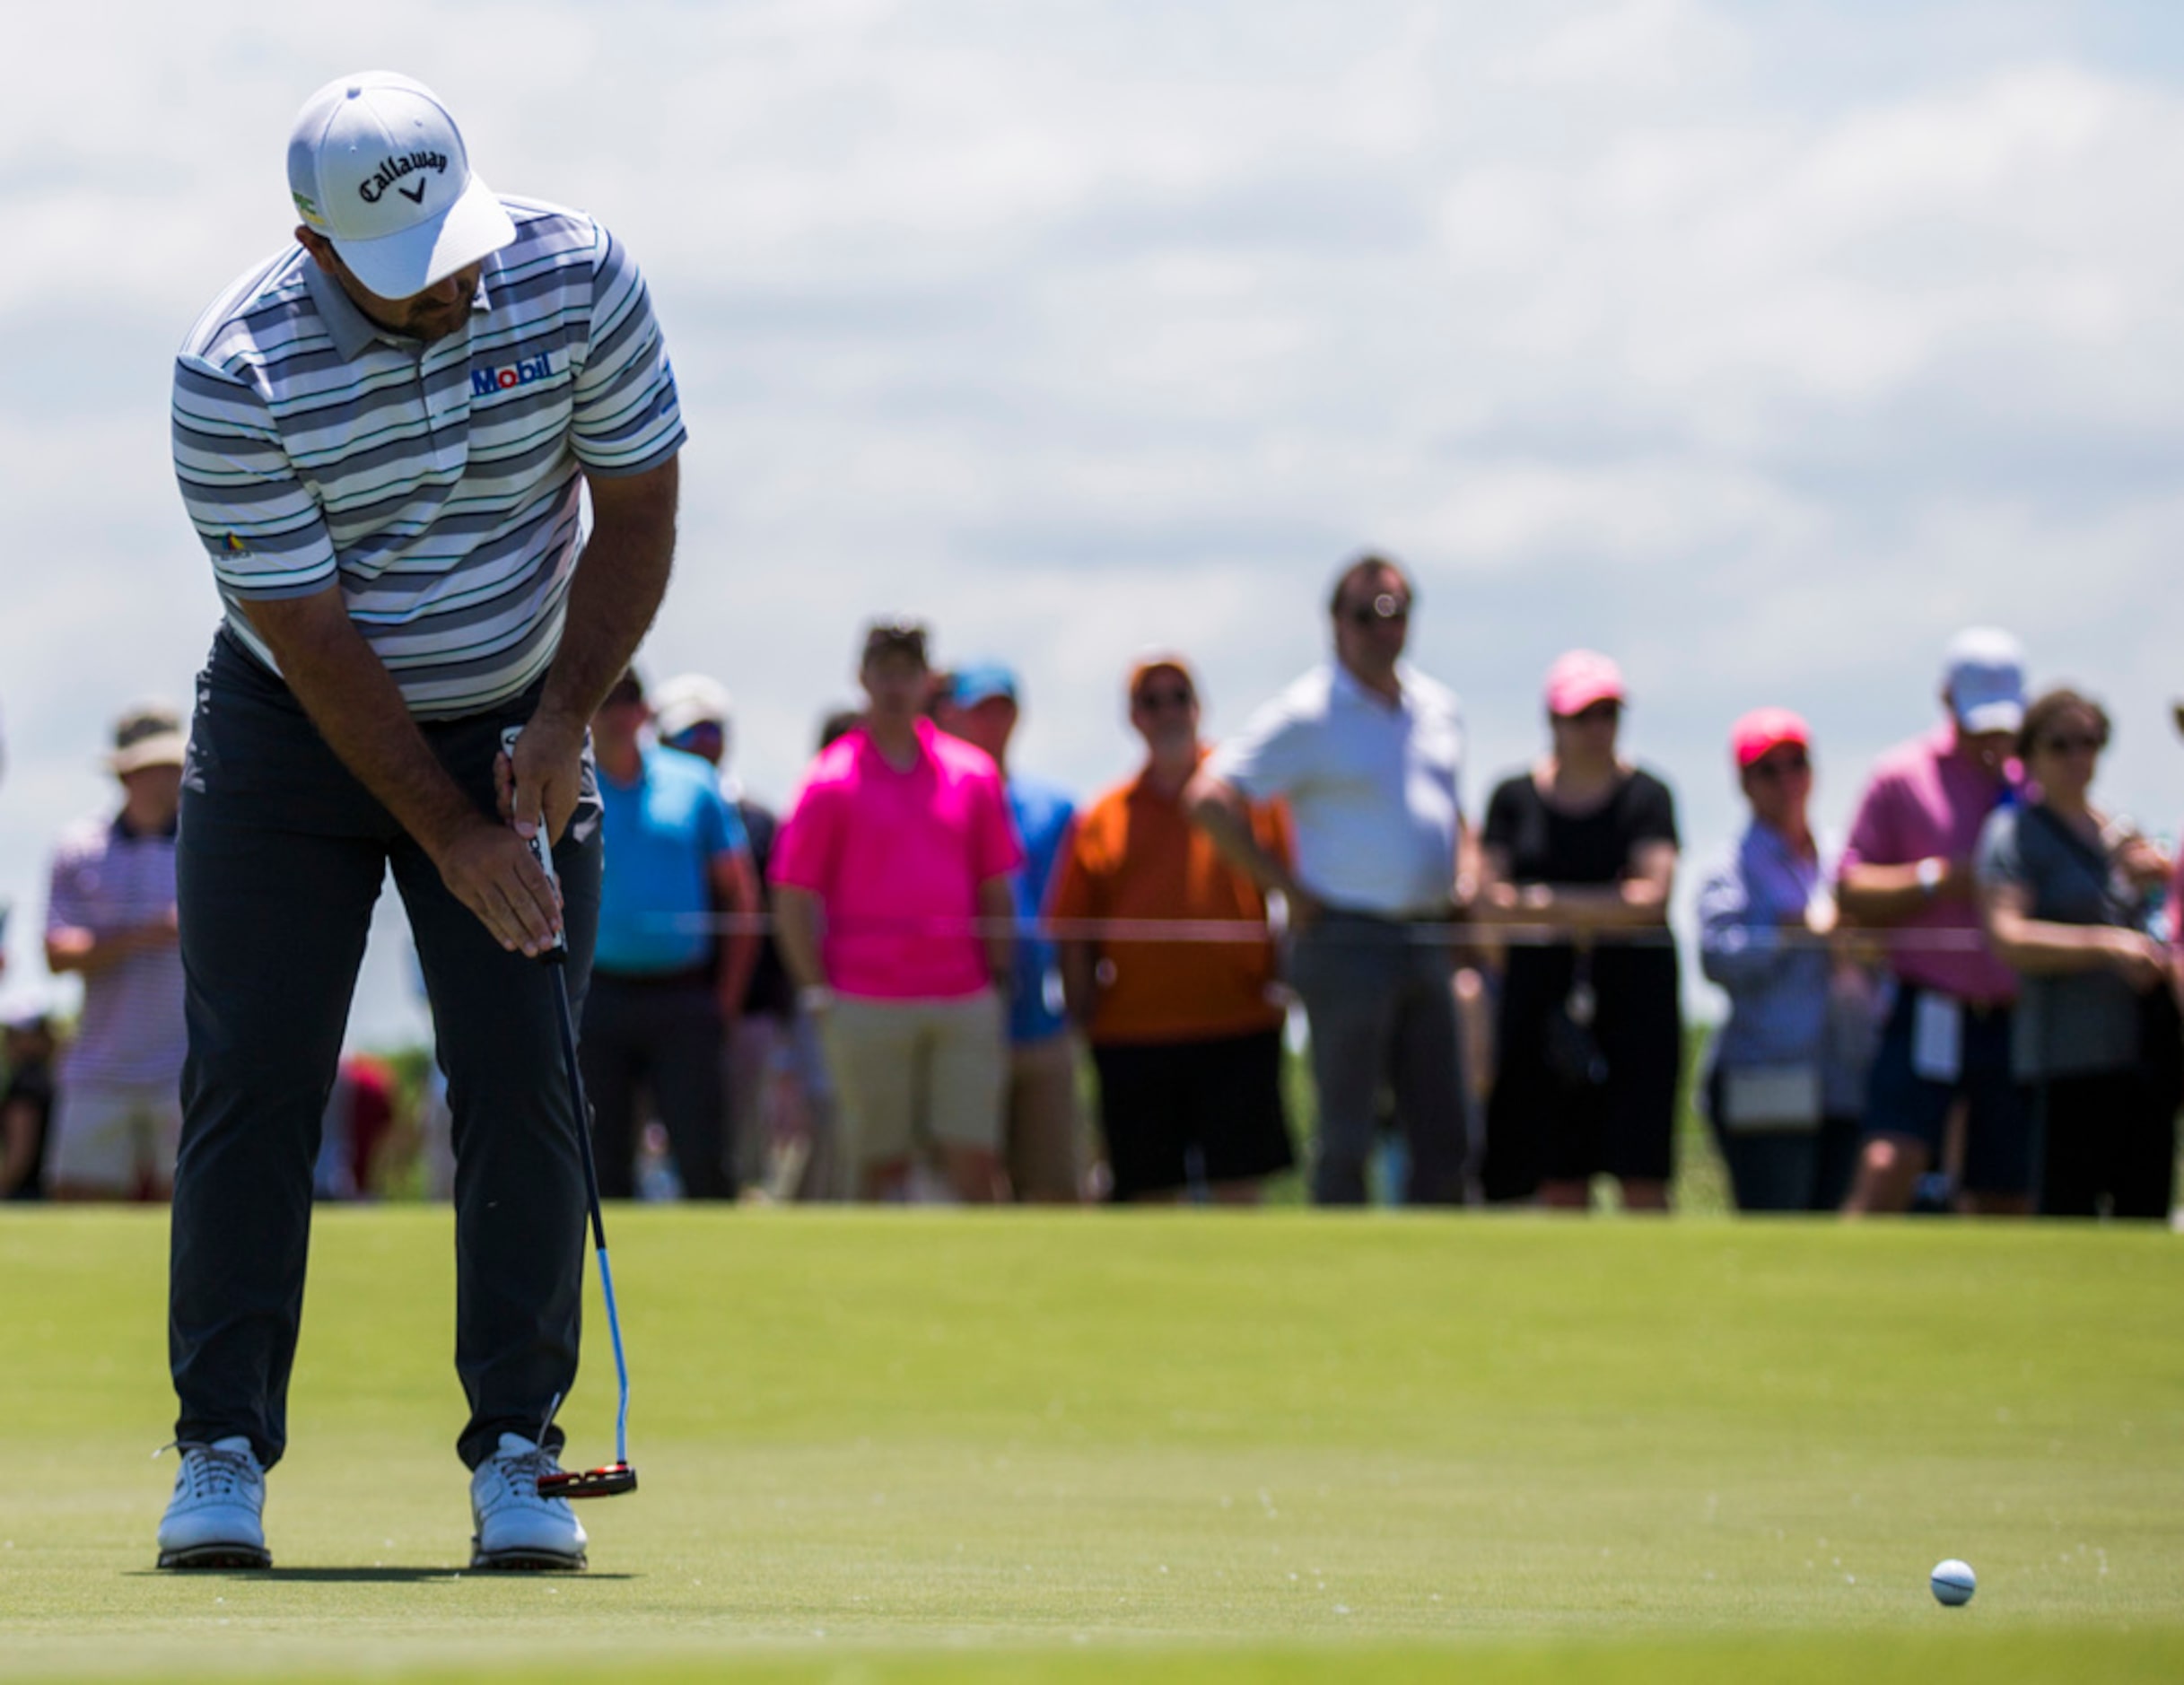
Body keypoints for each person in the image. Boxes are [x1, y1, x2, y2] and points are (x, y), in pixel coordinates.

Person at [161, 71, 685, 1572]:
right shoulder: (233, 370)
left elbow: (637, 502)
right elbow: (316, 643)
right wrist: (452, 832)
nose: (443, 290)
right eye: (402, 277)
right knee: (258, 1071)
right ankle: (219, 1446)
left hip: (525, 700)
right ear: (314, 249)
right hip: (289, 729)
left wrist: (570, 710)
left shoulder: (574, 272)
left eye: (450, 253)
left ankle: (517, 1447)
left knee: (525, 1074)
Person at [1187, 554, 1470, 1206]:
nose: (1382, 630)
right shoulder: (1308, 712)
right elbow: (1212, 798)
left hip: (1427, 934)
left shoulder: (1438, 709)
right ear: (1336, 623)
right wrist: (1285, 887)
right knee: (1347, 1133)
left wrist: (1469, 869)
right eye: (1366, 615)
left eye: (1396, 614)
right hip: (1345, 936)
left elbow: (1453, 811)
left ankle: (1445, 1274)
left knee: (1444, 1131)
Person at [771, 622, 1022, 1201]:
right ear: (862, 678)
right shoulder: (828, 780)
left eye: (907, 672)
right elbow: (790, 897)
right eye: (883, 671)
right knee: (876, 1165)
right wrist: (816, 990)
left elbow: (996, 889)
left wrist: (999, 979)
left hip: (963, 995)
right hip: (864, 1000)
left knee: (974, 1159)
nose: (894, 685)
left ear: (926, 681)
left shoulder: (973, 774)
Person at [1053, 656, 1296, 1203]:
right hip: (1133, 1033)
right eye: (1150, 700)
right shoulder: (1103, 816)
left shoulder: (1249, 800)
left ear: (1198, 706)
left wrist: (1285, 983)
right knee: (1148, 1194)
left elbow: (1290, 894)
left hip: (1239, 1024)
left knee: (1240, 1188)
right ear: (1133, 717)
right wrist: (1080, 1007)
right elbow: (1073, 929)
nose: (1167, 711)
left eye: (1178, 696)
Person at [1477, 652, 1682, 1210]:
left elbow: (1652, 901)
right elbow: (1487, 900)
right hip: (1541, 995)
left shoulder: (1648, 796)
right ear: (1553, 721)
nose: (1598, 729)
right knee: (1556, 1169)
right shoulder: (1513, 797)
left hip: (1634, 996)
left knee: (1641, 1167)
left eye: (1609, 714)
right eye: (1584, 716)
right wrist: (1602, 905)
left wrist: (1543, 902)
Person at [1837, 630, 2031, 1218]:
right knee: (1890, 1162)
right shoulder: (1900, 776)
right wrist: (1938, 879)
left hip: (2012, 1013)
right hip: (1929, 1007)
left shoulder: (2035, 784)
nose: (1991, 736)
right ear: (1947, 700)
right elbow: (1850, 887)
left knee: (2004, 1188)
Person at [1976, 690, 2179, 1219]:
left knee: (2145, 1214)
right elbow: (2008, 938)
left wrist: (2158, 884)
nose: (2077, 757)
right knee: (2066, 1216)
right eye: (2060, 744)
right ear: (2031, 754)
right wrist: (2106, 948)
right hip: (2061, 1061)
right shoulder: (2012, 834)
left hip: (2139, 1058)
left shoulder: (2123, 832)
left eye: (2089, 742)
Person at [581, 670, 757, 1201]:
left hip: (682, 995)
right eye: (605, 699)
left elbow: (740, 896)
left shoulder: (694, 782)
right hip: (597, 995)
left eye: (628, 700)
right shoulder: (569, 780)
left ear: (645, 713)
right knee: (601, 1162)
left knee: (703, 1156)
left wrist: (725, 1000)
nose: (616, 713)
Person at [652, 673, 826, 1200]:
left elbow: (770, 923)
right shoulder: (645, 811)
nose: (703, 744)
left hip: (748, 1016)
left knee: (744, 1148)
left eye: (712, 731)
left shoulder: (758, 821)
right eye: (689, 734)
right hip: (665, 1003)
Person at [1697, 710, 1874, 1213]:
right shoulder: (1729, 866)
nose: (1786, 780)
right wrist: (1790, 930)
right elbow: (1717, 957)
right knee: (1776, 1221)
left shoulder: (1844, 856)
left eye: (1795, 764)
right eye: (1767, 770)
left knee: (1833, 1225)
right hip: (1765, 1072)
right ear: (1744, 782)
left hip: (1845, 1073)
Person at [937, 662, 1083, 1203]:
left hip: (1041, 1023)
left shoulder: (1057, 808)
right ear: (951, 715)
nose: (990, 723)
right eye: (979, 710)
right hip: (960, 1016)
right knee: (969, 1187)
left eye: (1001, 709)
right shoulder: (936, 805)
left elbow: (1072, 921)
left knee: (1052, 1185)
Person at [42, 703, 189, 1201]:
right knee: (82, 1211)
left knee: (194, 1209)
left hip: (188, 1066)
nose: (168, 776)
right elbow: (58, 952)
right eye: (154, 766)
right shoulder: (80, 846)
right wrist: (145, 934)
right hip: (101, 1066)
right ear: (126, 772)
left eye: (173, 764)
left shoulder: (210, 842)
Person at [1, 1000, 57, 1202]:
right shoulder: (47, 1077)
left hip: (27, 1194)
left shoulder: (27, 1082)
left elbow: (21, 1150)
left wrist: (3, 1187)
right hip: (45, 1190)